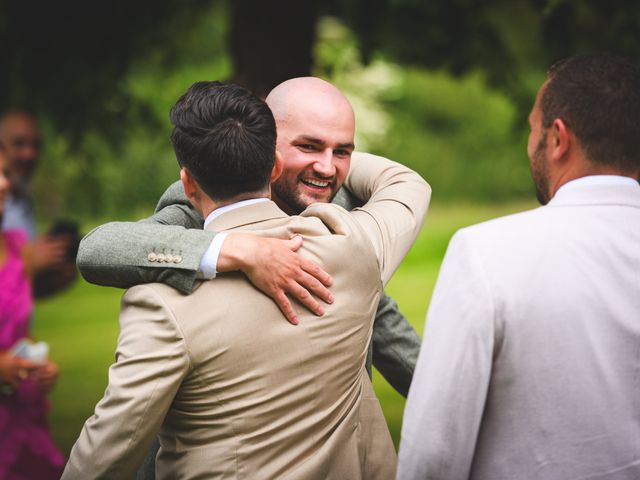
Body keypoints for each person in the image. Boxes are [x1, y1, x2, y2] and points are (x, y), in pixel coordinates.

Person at [62, 81, 429, 479]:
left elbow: (382, 319)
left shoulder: (337, 210)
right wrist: (235, 248)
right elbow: (99, 249)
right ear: (272, 154)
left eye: (342, 150)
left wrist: (447, 398)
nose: (327, 167)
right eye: (309, 146)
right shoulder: (195, 201)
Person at [397, 53, 640, 480]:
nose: (531, 143)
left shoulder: (487, 251)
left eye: (533, 129)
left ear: (558, 138)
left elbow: (434, 451)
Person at [0, 144, 65, 479]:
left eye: (5, 174)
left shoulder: (16, 248)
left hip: (25, 416)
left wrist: (38, 364)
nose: (4, 185)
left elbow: (17, 331)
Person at [0, 109, 77, 298]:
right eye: (19, 143)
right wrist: (27, 263)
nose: (29, 154)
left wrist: (48, 281)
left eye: (36, 145)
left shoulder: (23, 201)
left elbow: (11, 300)